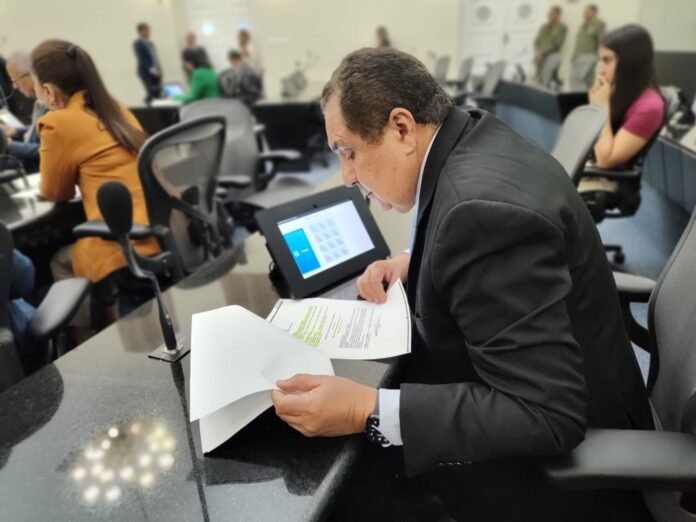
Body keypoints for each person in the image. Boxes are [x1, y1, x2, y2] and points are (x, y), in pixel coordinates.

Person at [270, 48, 654, 521]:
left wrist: (364, 408)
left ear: (402, 128)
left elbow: (545, 414)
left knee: (353, 488)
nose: (347, 176)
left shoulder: (479, 215)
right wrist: (413, 260)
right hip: (592, 388)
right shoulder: (473, 136)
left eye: (348, 152)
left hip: (565, 482)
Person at [31, 40, 160, 338]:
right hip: (157, 230)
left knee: (60, 262)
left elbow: (55, 192)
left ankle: (83, 344)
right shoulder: (115, 108)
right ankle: (110, 320)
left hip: (121, 241)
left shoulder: (57, 123)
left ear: (48, 91)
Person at [586, 24, 665, 170]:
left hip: (603, 179)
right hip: (588, 169)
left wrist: (601, 108)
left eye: (607, 60)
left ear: (629, 62)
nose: (601, 70)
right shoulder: (620, 91)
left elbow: (605, 160)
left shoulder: (650, 107)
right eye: (600, 60)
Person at [1, 52, 47, 173]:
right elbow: (37, 131)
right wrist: (15, 131)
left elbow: (48, 150)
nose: (15, 87)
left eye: (15, 80)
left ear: (30, 75)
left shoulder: (51, 106)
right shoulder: (40, 102)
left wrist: (9, 145)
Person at [572, 4, 606, 87]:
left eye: (587, 11)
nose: (584, 13)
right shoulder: (584, 24)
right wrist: (574, 55)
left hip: (588, 55)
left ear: (594, 12)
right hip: (579, 55)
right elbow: (580, 41)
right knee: (581, 80)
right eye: (584, 11)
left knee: (579, 79)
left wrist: (599, 55)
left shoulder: (598, 23)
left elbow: (601, 40)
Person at [533, 5, 567, 81]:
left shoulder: (562, 27)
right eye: (548, 14)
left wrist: (543, 53)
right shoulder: (544, 27)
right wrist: (537, 50)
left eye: (552, 14)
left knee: (546, 77)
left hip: (552, 55)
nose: (549, 16)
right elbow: (536, 41)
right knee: (536, 77)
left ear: (558, 15)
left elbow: (557, 44)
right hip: (539, 56)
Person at [133, 22, 162, 104]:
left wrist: (158, 69)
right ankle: (148, 107)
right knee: (151, 94)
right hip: (146, 73)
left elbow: (155, 58)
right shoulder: (137, 44)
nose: (148, 32)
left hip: (156, 72)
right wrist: (153, 70)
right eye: (146, 30)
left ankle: (158, 109)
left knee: (157, 93)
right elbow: (142, 59)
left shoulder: (151, 43)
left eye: (148, 30)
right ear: (140, 31)